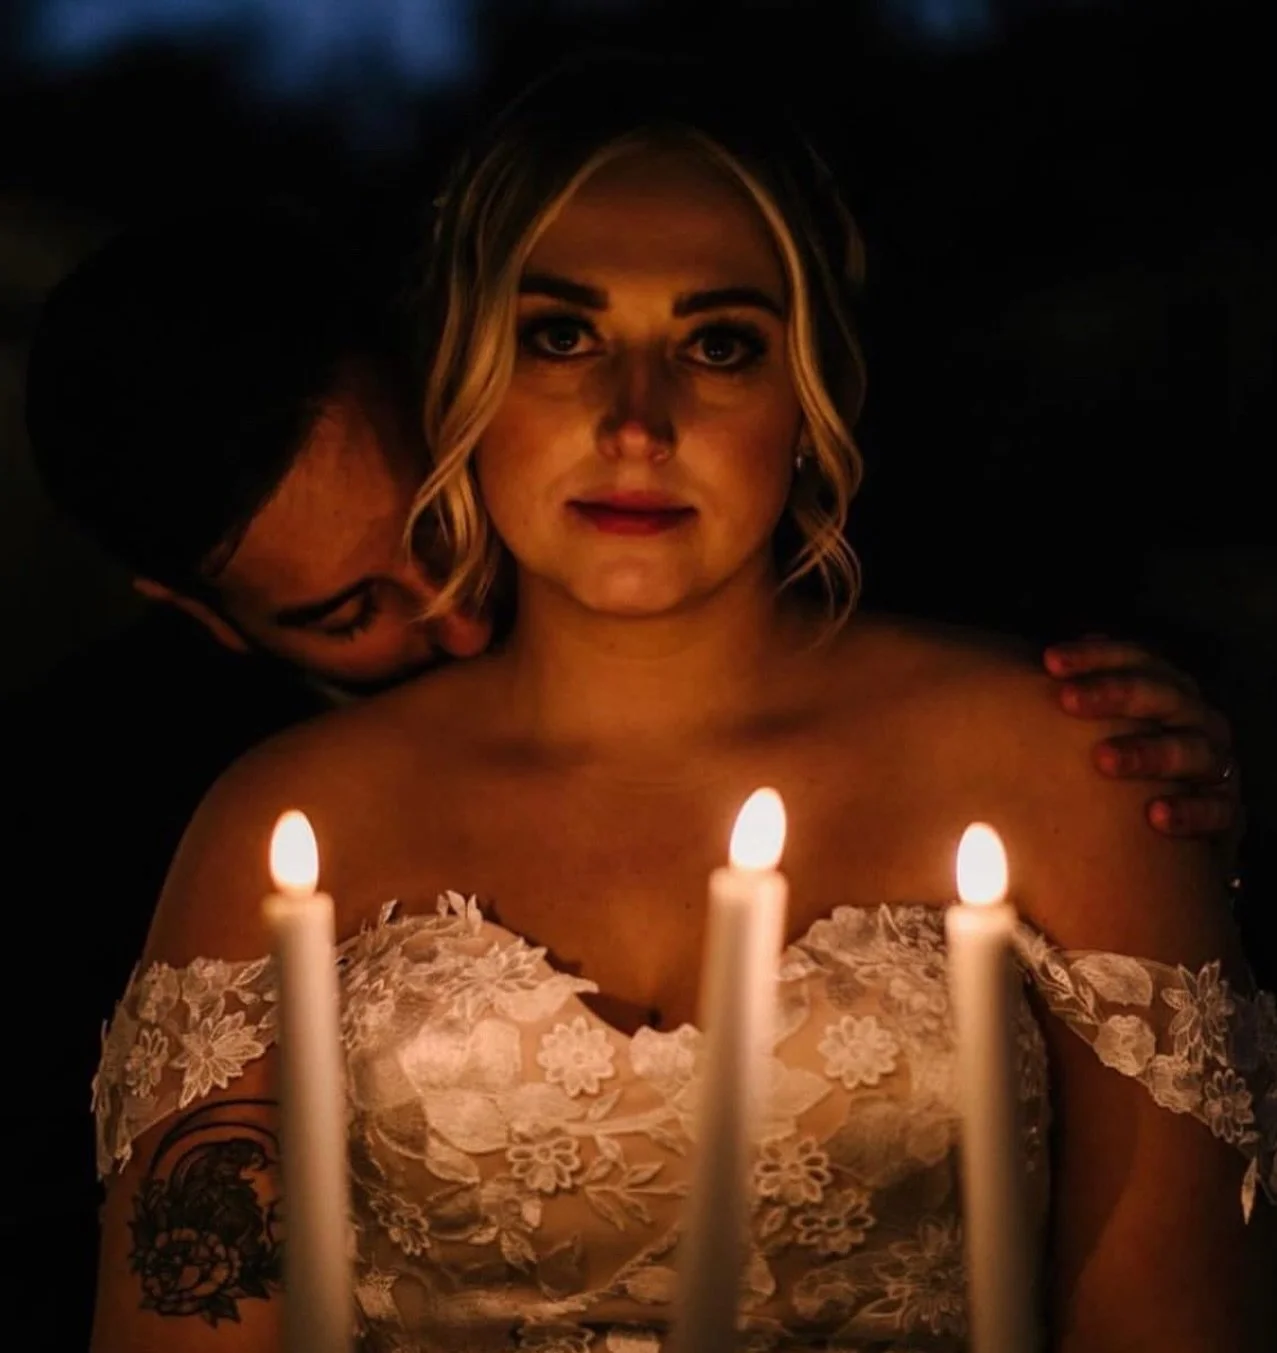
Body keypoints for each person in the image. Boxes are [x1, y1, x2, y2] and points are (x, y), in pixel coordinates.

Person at [83, 87, 1276, 1345]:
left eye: (717, 346)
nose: (635, 424)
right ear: (461, 381)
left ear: (808, 401)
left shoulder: (1070, 765)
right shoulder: (285, 820)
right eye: (560, 336)